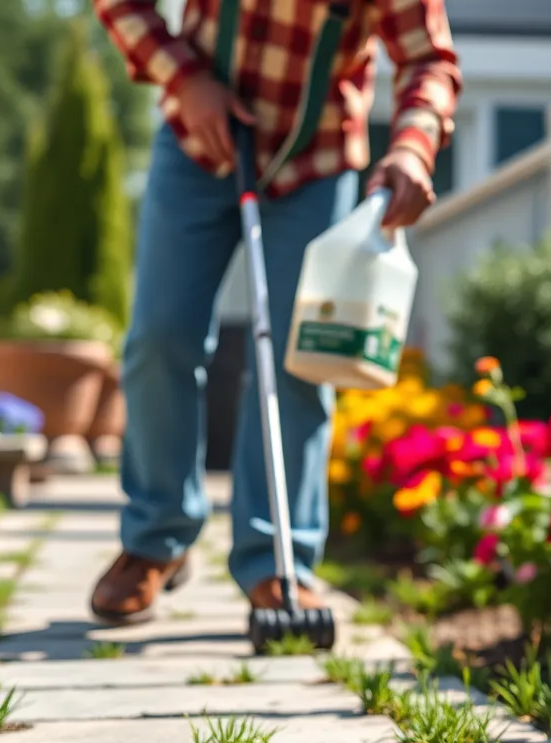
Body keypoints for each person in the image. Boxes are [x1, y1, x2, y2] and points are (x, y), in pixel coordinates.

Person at [89, 0, 460, 624]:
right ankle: (155, 540)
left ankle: (278, 561)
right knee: (159, 338)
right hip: (198, 141)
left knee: (301, 357)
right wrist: (185, 77)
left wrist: (414, 149)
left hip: (315, 164)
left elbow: (428, 59)